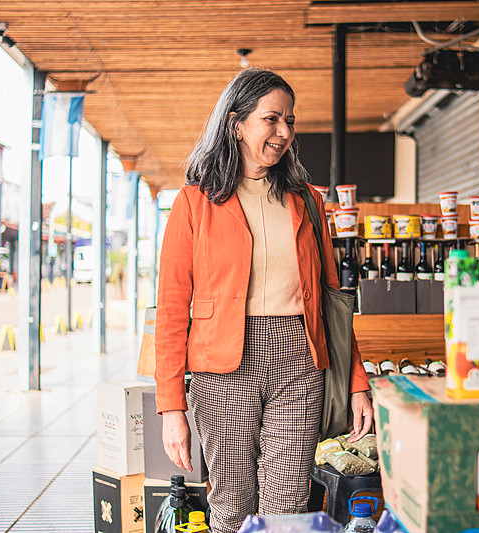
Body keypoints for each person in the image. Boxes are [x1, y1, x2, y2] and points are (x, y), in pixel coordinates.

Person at [154, 68, 372, 533]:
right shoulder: (194, 202)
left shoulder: (307, 201)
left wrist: (357, 383)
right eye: (271, 119)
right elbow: (171, 310)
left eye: (289, 121)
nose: (284, 132)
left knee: (288, 506)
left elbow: (333, 305)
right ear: (236, 123)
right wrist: (172, 406)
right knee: (232, 503)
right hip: (222, 371)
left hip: (300, 362)